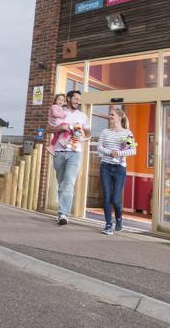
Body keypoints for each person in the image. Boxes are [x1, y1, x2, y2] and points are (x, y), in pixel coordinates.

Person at [46, 90, 91, 225]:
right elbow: (48, 128)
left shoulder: (82, 116)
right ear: (69, 98)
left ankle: (63, 214)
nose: (78, 101)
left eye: (79, 99)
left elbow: (89, 134)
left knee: (69, 183)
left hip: (74, 152)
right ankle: (62, 211)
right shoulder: (59, 110)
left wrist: (81, 138)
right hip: (59, 151)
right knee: (61, 183)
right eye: (75, 98)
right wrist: (63, 128)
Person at [97, 107, 136, 235]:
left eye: (112, 114)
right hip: (106, 167)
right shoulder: (105, 132)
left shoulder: (127, 133)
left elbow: (132, 150)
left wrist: (118, 153)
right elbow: (99, 147)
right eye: (110, 114)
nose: (110, 116)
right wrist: (110, 153)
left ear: (120, 117)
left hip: (120, 168)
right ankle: (108, 224)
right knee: (107, 197)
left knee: (115, 199)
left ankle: (119, 218)